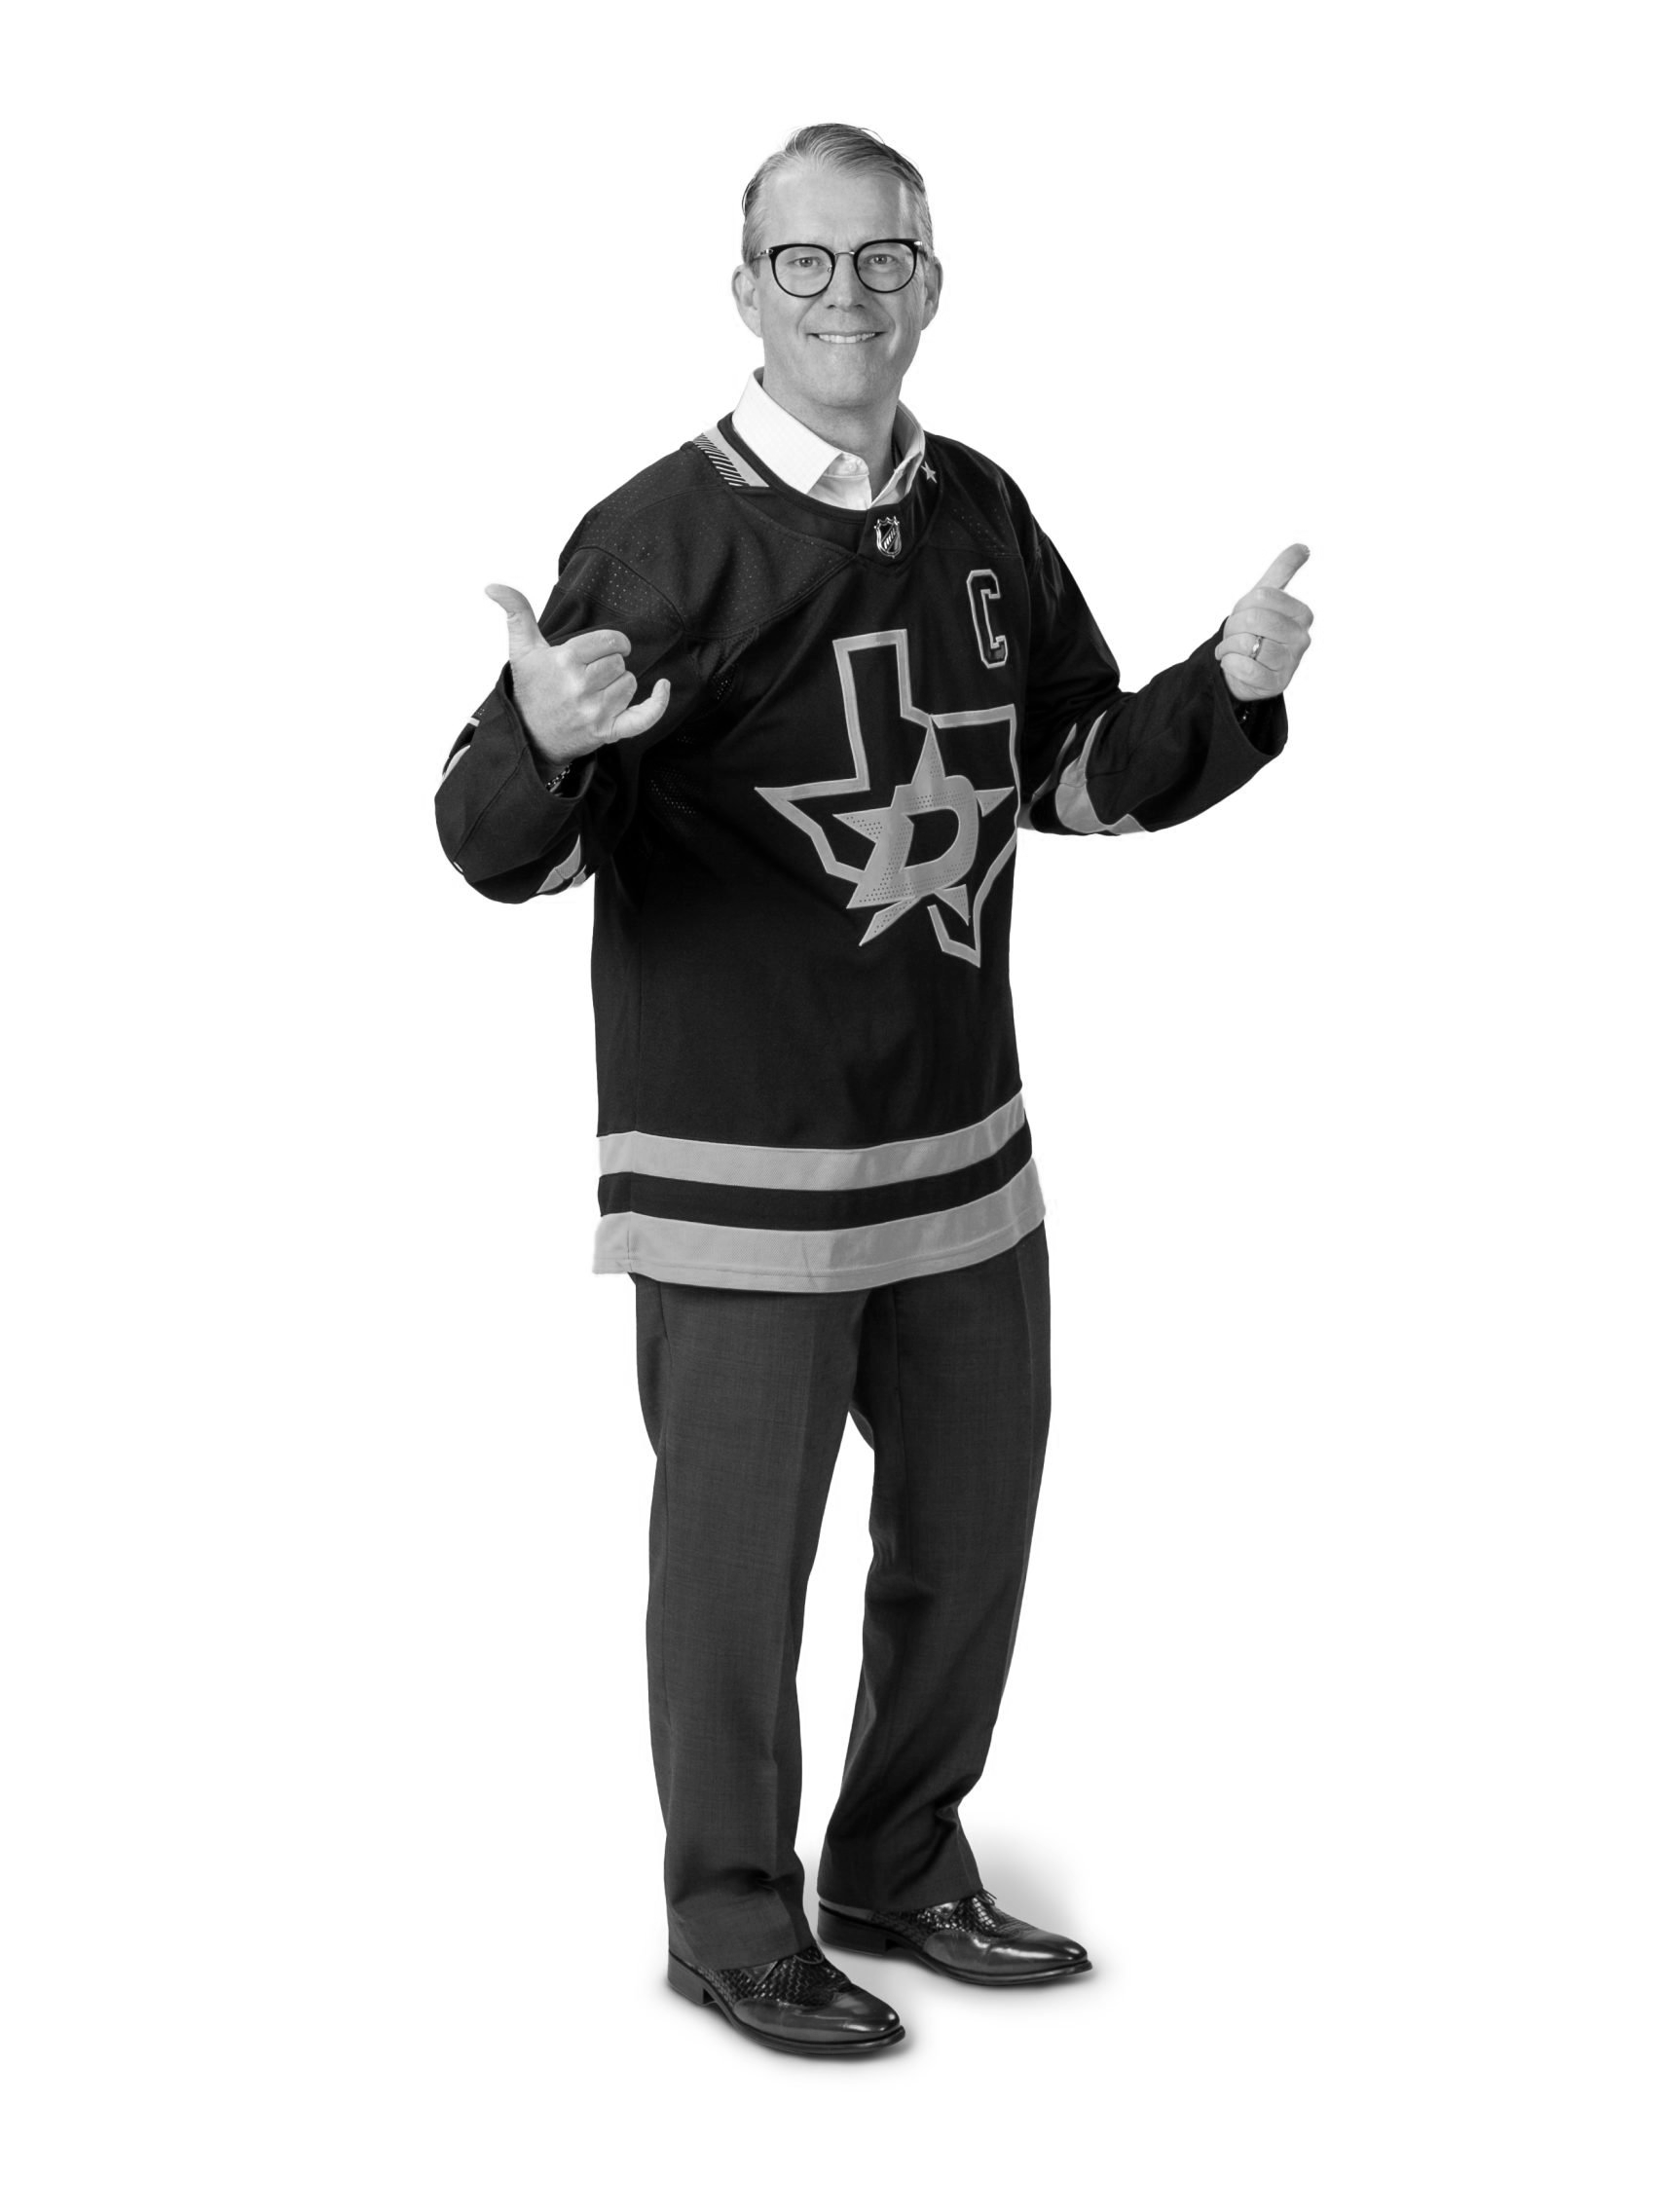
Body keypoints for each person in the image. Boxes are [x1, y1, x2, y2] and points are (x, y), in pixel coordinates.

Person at [435, 124, 1312, 2057]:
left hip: (965, 1155)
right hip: (738, 1165)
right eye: (804, 262)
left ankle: (897, 1856)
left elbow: (1071, 767)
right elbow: (505, 845)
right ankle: (729, 1911)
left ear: (932, 279)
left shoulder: (983, 511)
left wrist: (1227, 687)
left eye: (883, 258)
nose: (848, 294)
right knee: (733, 1566)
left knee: (972, 1530)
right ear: (744, 289)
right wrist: (534, 736)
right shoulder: (660, 536)